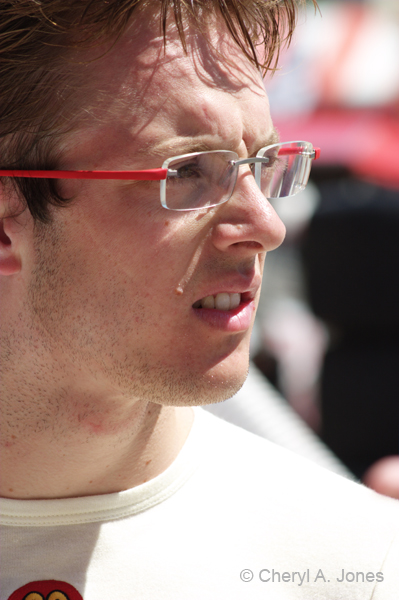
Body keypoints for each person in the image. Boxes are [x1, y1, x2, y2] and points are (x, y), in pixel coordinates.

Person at [0, 2, 398, 599]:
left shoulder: (355, 565)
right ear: (6, 224)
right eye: (187, 172)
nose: (268, 225)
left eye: (265, 164)